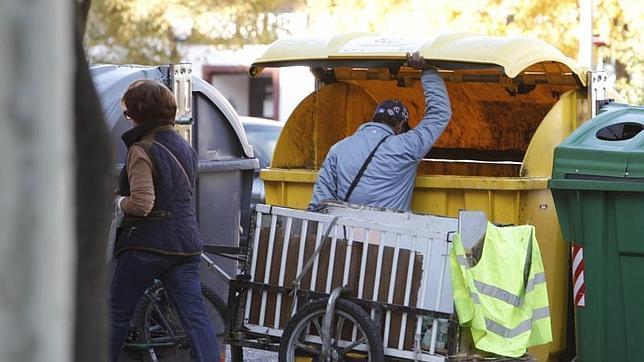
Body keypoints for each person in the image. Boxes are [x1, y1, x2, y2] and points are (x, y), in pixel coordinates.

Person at [109, 79, 218, 361]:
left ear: (139, 114)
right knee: (195, 317)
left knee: (118, 313)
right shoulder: (185, 147)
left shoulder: (142, 149)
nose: (128, 119)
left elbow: (143, 204)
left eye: (129, 113)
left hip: (147, 246)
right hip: (186, 243)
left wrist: (118, 201)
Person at [308, 52, 452, 211]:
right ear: (400, 126)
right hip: (389, 234)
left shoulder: (339, 149)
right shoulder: (406, 147)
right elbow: (439, 113)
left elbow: (320, 199)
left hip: (346, 233)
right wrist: (427, 70)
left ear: (374, 118)